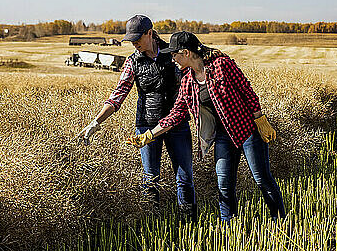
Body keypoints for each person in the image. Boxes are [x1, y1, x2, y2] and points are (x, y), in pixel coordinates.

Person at [127, 31, 286, 222]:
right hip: (223, 137)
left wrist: (260, 119)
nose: (171, 58)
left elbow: (247, 90)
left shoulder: (221, 65)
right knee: (224, 185)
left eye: (174, 54)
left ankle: (281, 221)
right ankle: (228, 228)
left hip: (247, 131)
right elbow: (177, 114)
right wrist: (149, 135)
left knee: (262, 179)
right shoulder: (187, 81)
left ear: (186, 53)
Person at [77, 15, 196, 220]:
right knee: (150, 179)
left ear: (150, 33)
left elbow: (194, 81)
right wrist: (95, 123)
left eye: (137, 38)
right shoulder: (133, 62)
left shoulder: (173, 54)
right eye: (130, 39)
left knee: (184, 178)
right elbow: (118, 95)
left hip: (177, 125)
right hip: (146, 127)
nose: (133, 43)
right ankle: (152, 225)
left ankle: (190, 224)